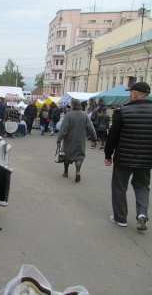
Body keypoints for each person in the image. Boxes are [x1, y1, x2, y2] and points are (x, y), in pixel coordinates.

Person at [104, 82, 152, 230]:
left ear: (135, 94)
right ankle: (142, 214)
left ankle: (120, 218)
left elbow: (113, 137)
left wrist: (108, 154)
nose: (130, 95)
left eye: (130, 92)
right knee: (143, 186)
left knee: (119, 186)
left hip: (123, 157)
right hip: (147, 159)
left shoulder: (122, 112)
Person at [57, 98, 97, 183]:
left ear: (73, 105)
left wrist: (59, 140)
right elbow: (91, 128)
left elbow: (63, 129)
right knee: (79, 156)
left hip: (69, 140)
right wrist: (94, 139)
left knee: (67, 155)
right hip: (80, 140)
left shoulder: (69, 115)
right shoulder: (85, 115)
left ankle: (66, 172)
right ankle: (78, 171)